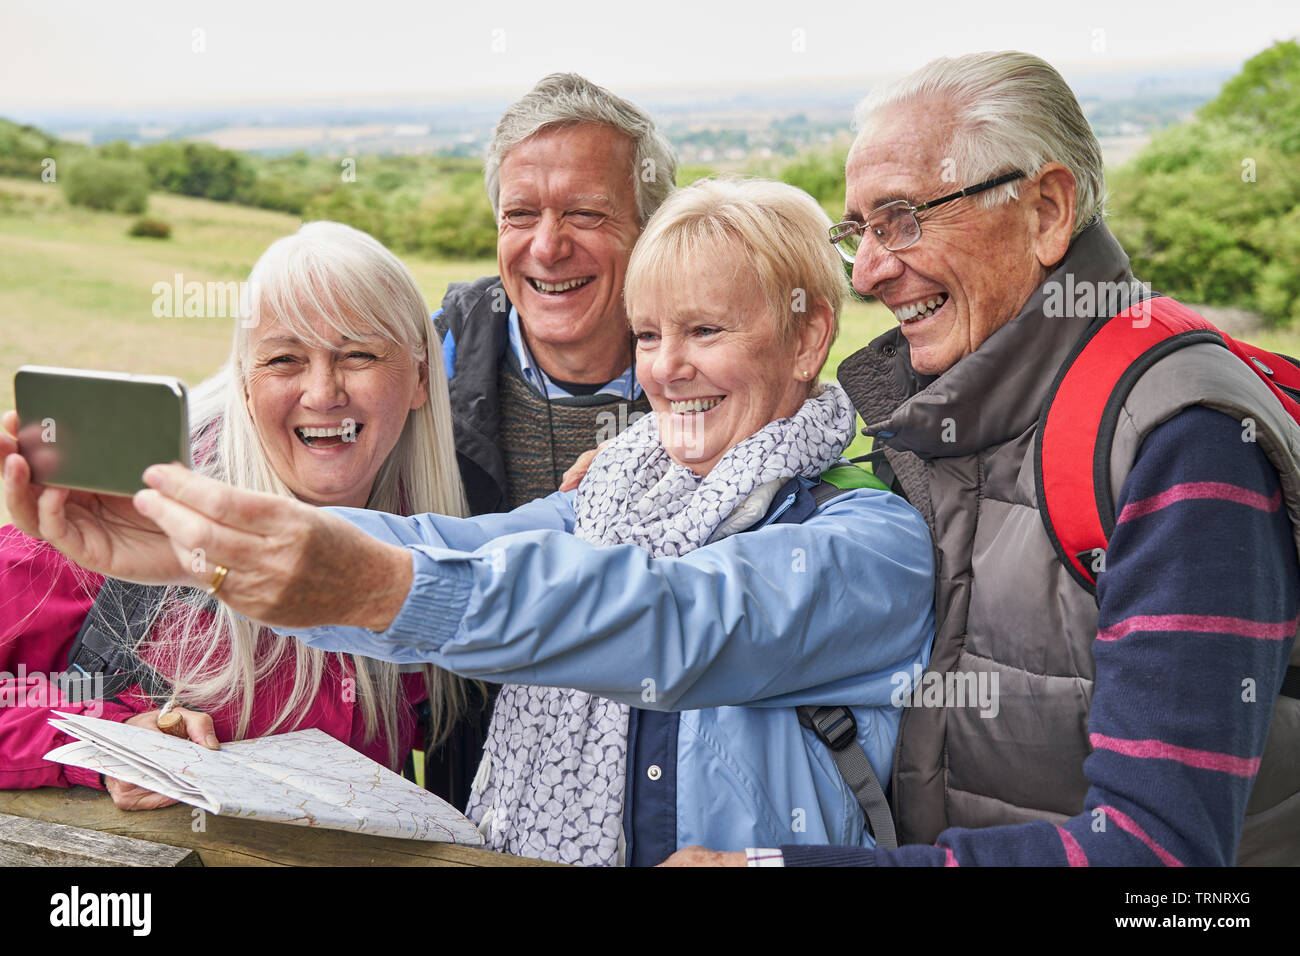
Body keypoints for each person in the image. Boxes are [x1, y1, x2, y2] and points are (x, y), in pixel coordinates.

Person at [3, 178, 936, 864]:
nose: (665, 370)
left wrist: (376, 587)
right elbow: (458, 549)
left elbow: (674, 621)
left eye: (705, 331)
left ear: (810, 336)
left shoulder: (868, 545)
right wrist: (194, 550)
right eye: (649, 336)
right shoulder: (610, 499)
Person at [662, 51, 1300, 867]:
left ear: (1044, 211)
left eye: (901, 218)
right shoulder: (949, 406)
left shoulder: (1184, 441)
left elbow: (1157, 855)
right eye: (858, 230)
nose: (867, 271)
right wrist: (660, 469)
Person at [0, 221, 473, 808]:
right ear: (245, 385)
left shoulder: (438, 549)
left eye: (359, 354)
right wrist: (110, 742)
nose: (323, 392)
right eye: (283, 359)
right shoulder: (140, 512)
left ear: (421, 377)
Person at [428, 72, 678, 806]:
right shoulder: (426, 367)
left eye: (586, 214)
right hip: (469, 808)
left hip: (660, 806)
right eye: (521, 214)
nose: (547, 246)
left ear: (652, 228)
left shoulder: (721, 376)